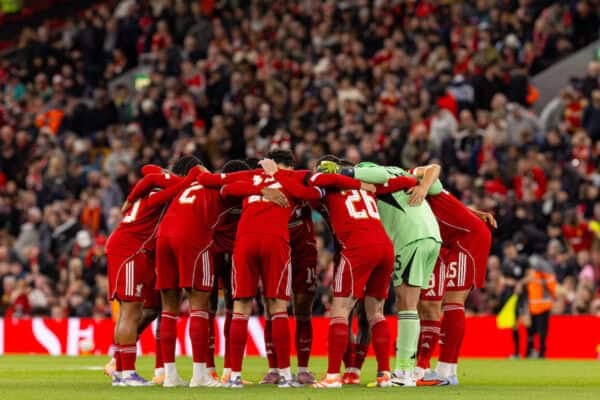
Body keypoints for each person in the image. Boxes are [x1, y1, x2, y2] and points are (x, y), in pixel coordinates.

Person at [153, 158, 283, 387]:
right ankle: (200, 375)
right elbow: (233, 185)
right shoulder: (218, 184)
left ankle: (169, 375)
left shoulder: (188, 184)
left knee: (168, 308)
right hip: (194, 240)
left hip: (163, 237)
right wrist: (263, 185)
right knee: (200, 306)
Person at [199, 149, 323, 388]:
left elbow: (224, 189)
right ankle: (286, 375)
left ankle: (234, 376)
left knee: (240, 307)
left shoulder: (249, 176)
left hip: (244, 240)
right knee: (277, 306)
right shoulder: (295, 177)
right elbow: (311, 192)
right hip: (275, 239)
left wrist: (257, 187)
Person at [299, 156, 419, 388]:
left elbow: (311, 181)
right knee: (376, 312)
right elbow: (404, 181)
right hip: (384, 247)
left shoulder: (325, 186)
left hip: (357, 247)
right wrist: (415, 181)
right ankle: (384, 374)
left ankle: (333, 375)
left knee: (340, 309)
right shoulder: (368, 189)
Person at [333, 161, 442, 387]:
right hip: (432, 236)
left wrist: (341, 172)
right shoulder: (405, 173)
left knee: (407, 303)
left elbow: (349, 173)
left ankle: (404, 372)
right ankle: (409, 370)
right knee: (412, 303)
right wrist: (422, 188)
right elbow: (435, 174)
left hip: (409, 238)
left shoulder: (373, 171)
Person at [105, 156, 201, 386]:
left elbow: (149, 170)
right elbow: (168, 182)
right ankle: (127, 373)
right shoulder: (158, 195)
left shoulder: (153, 188)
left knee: (131, 311)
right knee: (130, 312)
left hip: (128, 249)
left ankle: (120, 369)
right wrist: (191, 177)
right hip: (130, 251)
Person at [500, 241, 531, 358]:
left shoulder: (523, 260)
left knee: (526, 321)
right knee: (514, 324)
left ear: (515, 249)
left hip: (523, 295)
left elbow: (530, 275)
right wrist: (513, 283)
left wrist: (520, 284)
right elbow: (503, 279)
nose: (509, 251)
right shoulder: (505, 263)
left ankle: (529, 351)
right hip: (511, 296)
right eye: (507, 250)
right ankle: (517, 353)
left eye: (511, 248)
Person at [525, 255, 557, 358]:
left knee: (540, 331)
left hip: (541, 306)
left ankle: (541, 352)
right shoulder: (537, 275)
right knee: (533, 331)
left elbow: (552, 288)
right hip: (535, 306)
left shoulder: (542, 275)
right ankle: (534, 351)